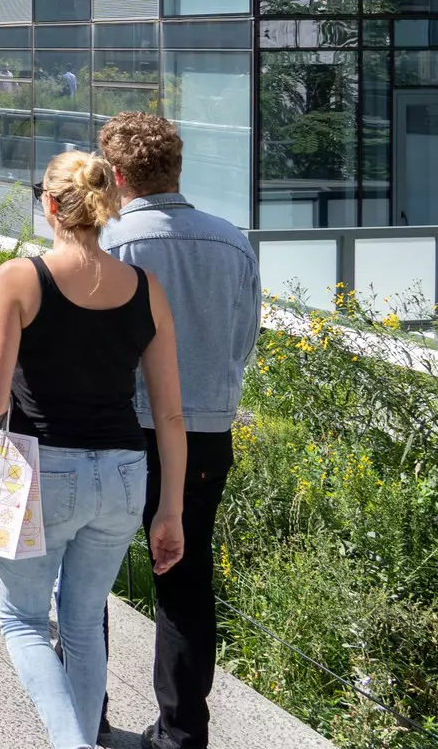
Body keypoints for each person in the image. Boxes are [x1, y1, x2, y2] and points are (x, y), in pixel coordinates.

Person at [0, 151, 187, 749]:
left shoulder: (19, 278)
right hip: (125, 476)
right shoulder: (146, 288)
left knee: (21, 620)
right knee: (82, 624)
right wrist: (169, 511)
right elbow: (170, 414)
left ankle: (74, 745)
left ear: (49, 204)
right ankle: (84, 738)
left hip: (46, 470)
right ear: (107, 206)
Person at [98, 114, 260, 749]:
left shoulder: (110, 244)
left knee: (91, 577)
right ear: (177, 168)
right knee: (188, 582)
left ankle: (88, 715)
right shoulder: (233, 242)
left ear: (115, 176)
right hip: (206, 434)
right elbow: (242, 343)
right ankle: (182, 733)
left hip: (121, 427)